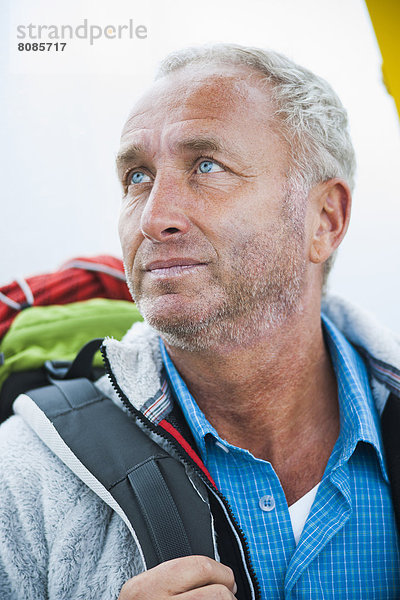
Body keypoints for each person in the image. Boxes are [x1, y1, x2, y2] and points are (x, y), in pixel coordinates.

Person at [1, 44, 399, 600]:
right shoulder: (23, 474)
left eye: (207, 167)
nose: (155, 217)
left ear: (324, 219)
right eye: (137, 176)